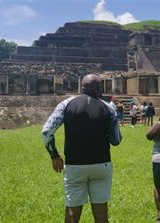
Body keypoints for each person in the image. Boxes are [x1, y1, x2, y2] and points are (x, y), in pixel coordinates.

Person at [42, 74, 122, 223]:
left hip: (75, 165)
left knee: (72, 213)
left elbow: (47, 132)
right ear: (99, 89)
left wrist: (54, 155)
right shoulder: (108, 108)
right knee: (101, 214)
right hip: (101, 164)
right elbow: (116, 140)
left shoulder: (66, 104)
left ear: (81, 87)